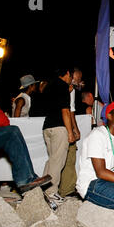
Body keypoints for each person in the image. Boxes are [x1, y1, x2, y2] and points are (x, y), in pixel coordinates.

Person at [41, 67, 75, 203]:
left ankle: (43, 188)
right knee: (57, 162)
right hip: (59, 127)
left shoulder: (49, 86)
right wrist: (70, 132)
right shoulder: (63, 86)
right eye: (71, 76)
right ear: (67, 73)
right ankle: (51, 192)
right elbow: (65, 111)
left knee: (51, 160)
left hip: (47, 127)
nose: (71, 79)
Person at [58, 67, 82, 197]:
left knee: (59, 160)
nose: (78, 81)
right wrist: (74, 130)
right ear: (72, 76)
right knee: (69, 157)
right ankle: (67, 190)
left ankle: (63, 189)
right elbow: (69, 111)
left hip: (55, 126)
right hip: (64, 127)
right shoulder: (69, 89)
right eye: (78, 78)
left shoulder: (59, 87)